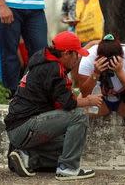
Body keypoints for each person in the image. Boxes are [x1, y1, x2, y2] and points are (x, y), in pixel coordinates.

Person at [5, 31, 102, 181]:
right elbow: (68, 104)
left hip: (20, 129)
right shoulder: (53, 70)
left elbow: (61, 89)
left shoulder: (43, 58)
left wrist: (85, 47)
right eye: (76, 54)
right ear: (66, 54)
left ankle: (27, 157)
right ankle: (68, 169)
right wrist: (90, 101)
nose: (78, 59)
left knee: (69, 146)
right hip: (25, 127)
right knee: (79, 115)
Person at [78, 34, 125, 175]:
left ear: (121, 55)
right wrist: (96, 73)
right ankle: (69, 157)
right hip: (101, 100)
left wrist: (120, 72)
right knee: (79, 104)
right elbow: (84, 92)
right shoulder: (89, 56)